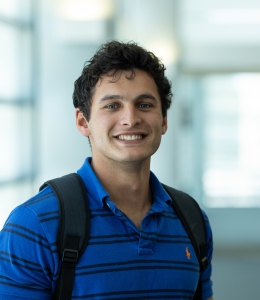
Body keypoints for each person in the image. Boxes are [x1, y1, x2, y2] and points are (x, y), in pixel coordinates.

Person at [0, 41, 213, 299]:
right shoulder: (34, 225)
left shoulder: (192, 220)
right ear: (83, 121)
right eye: (112, 105)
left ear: (164, 120)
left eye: (145, 104)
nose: (130, 119)